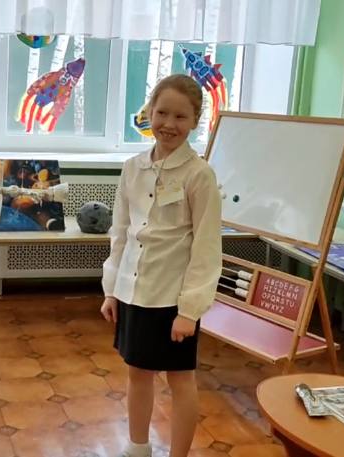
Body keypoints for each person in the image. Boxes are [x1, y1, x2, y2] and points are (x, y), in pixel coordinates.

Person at [100, 74, 222, 457]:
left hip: (173, 298)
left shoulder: (199, 175)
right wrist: (111, 289)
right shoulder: (132, 168)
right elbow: (121, 232)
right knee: (137, 372)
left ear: (195, 120)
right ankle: (138, 448)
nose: (169, 124)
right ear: (149, 113)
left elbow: (206, 248)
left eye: (181, 117)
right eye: (162, 113)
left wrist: (190, 311)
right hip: (133, 291)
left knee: (180, 379)